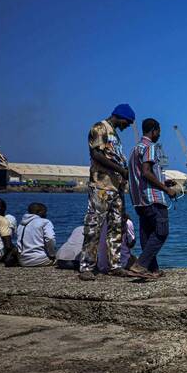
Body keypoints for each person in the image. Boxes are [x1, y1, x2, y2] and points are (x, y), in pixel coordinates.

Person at [78, 103, 146, 280]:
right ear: (121, 117)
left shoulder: (114, 135)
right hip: (101, 186)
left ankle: (115, 265)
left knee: (117, 226)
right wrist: (121, 170)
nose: (127, 126)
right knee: (94, 226)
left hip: (116, 188)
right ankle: (86, 266)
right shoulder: (99, 128)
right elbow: (97, 155)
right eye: (127, 122)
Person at [128, 118, 177, 278]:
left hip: (139, 200)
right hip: (153, 198)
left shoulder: (135, 150)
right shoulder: (150, 147)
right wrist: (166, 189)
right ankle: (141, 264)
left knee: (147, 234)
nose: (159, 134)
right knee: (162, 232)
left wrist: (163, 181)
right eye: (159, 131)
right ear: (154, 130)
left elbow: (141, 174)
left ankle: (152, 268)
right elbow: (146, 172)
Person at [15, 202, 56, 267]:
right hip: (39, 259)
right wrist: (52, 254)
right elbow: (50, 238)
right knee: (62, 256)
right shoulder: (45, 222)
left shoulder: (21, 224)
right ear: (39, 212)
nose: (46, 214)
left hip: (22, 261)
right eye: (44, 212)